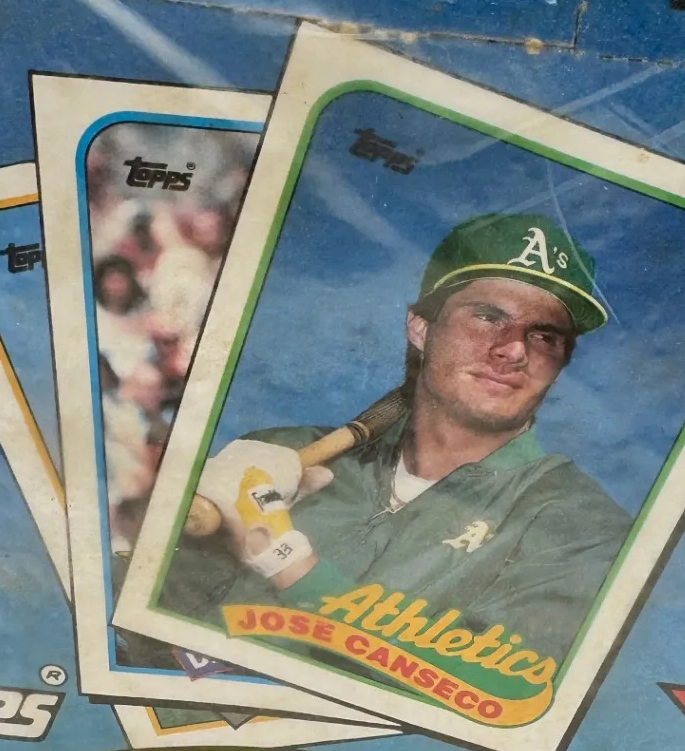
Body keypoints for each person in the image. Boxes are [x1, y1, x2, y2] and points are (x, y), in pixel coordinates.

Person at [162, 213, 630, 673]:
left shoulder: (582, 530)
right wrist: (171, 514)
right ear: (421, 328)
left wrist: (286, 560)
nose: (514, 349)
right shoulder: (281, 453)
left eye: (545, 336)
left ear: (560, 365)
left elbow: (503, 698)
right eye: (488, 317)